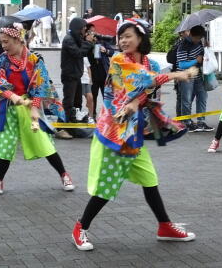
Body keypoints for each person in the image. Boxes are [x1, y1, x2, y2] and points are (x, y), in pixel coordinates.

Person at [72, 21, 197, 251]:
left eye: (128, 36)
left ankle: (164, 226)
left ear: (141, 38)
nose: (123, 41)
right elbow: (144, 80)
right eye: (121, 37)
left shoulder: (150, 63)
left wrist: (135, 103)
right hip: (116, 133)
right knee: (106, 188)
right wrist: (177, 75)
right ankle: (80, 227)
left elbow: (146, 90)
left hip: (133, 133)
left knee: (150, 180)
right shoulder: (120, 61)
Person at [0, 22, 75, 195]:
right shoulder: (1, 60)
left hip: (29, 106)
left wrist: (34, 108)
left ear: (18, 39)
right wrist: (14, 97)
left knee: (44, 141)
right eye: (2, 42)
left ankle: (64, 175)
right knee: (5, 144)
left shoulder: (34, 60)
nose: (3, 46)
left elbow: (40, 87)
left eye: (7, 41)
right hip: (8, 107)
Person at [59, 18, 94, 137]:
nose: (85, 30)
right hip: (69, 75)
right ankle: (66, 127)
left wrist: (89, 41)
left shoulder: (76, 38)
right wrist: (88, 42)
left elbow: (84, 51)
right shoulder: (69, 39)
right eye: (84, 28)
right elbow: (78, 53)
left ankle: (74, 126)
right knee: (69, 102)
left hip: (76, 75)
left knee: (77, 102)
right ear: (78, 28)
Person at [176, 25, 213, 133]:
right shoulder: (183, 45)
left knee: (202, 96)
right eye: (197, 38)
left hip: (197, 74)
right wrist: (196, 61)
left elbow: (203, 57)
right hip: (186, 75)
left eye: (200, 38)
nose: (198, 41)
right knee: (186, 100)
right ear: (191, 35)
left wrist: (206, 48)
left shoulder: (199, 42)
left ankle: (201, 121)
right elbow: (182, 64)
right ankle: (186, 122)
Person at [85, 23, 115, 119]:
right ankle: (92, 114)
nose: (93, 33)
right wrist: (89, 43)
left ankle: (109, 114)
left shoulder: (101, 40)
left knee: (106, 95)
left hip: (104, 72)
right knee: (93, 95)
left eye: (94, 30)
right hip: (92, 73)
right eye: (90, 31)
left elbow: (112, 52)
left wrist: (105, 50)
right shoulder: (86, 42)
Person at [80, 56, 95, 124]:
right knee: (78, 100)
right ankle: (77, 116)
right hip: (78, 80)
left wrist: (90, 80)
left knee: (90, 97)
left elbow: (89, 69)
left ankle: (91, 117)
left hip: (86, 80)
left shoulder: (85, 57)